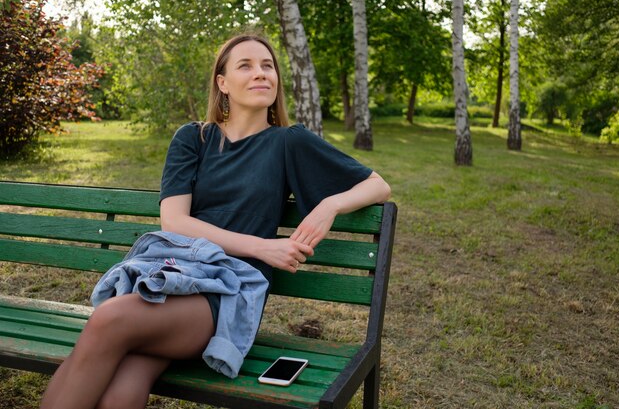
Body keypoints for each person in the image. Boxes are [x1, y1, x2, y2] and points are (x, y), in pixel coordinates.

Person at [40, 33, 391, 409]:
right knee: (129, 373)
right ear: (222, 83)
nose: (261, 74)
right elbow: (174, 221)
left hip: (226, 291)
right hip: (170, 273)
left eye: (267, 66)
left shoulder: (289, 142)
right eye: (246, 66)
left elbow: (378, 186)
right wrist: (263, 247)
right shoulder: (194, 138)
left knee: (110, 320)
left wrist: (328, 206)